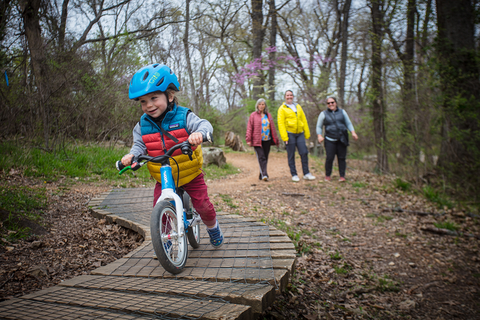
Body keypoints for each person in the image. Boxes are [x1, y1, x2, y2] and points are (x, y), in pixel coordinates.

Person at [121, 63, 223, 248]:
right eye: (143, 101)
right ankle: (164, 244)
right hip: (164, 176)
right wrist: (132, 156)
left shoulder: (184, 116)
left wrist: (198, 134)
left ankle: (213, 226)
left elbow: (204, 124)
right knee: (160, 211)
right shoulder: (142, 126)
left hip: (190, 173)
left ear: (169, 96)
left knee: (203, 206)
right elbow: (139, 145)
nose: (149, 105)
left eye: (153, 98)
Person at [316, 97, 358, 182]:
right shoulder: (323, 114)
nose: (331, 104)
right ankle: (328, 175)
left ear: (336, 103)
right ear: (327, 105)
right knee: (330, 158)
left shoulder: (342, 112)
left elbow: (348, 123)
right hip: (329, 139)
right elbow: (319, 126)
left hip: (342, 139)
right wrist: (319, 136)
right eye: (328, 103)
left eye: (332, 102)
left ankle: (342, 176)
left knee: (342, 158)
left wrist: (353, 132)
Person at [277, 90, 316, 182]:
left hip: (300, 133)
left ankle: (306, 173)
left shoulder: (298, 106)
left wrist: (307, 133)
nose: (289, 97)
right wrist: (284, 137)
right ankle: (294, 174)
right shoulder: (282, 108)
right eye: (287, 95)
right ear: (285, 97)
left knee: (304, 152)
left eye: (291, 95)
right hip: (290, 134)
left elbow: (304, 120)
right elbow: (281, 124)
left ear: (293, 96)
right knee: (291, 154)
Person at [246, 98, 279, 181]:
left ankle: (261, 174)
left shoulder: (268, 115)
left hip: (267, 139)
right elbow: (249, 128)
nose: (261, 106)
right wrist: (248, 139)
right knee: (262, 157)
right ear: (257, 105)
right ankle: (265, 174)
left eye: (263, 104)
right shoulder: (253, 115)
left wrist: (276, 139)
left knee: (265, 157)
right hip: (257, 140)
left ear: (265, 106)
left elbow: (273, 128)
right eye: (260, 104)